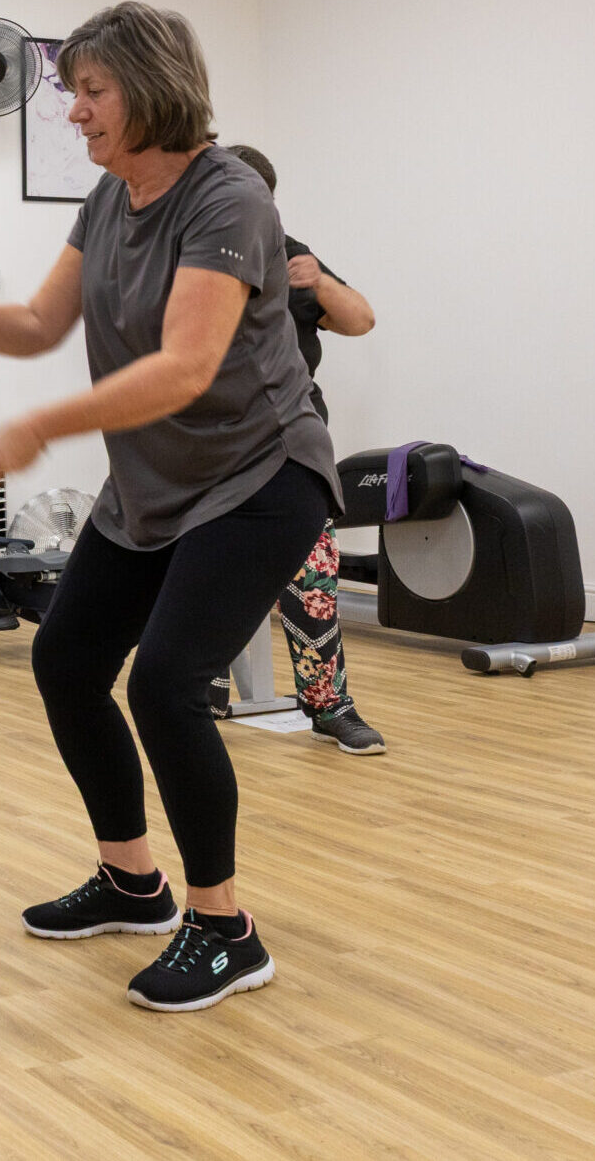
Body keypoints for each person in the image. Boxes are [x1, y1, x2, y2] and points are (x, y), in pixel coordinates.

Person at [0, 1, 339, 1014]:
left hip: (260, 473)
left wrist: (40, 429)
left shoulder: (228, 201)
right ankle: (133, 879)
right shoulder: (109, 196)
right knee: (68, 659)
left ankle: (224, 928)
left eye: (93, 92)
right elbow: (41, 321)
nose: (76, 114)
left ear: (150, 86)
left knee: (169, 682)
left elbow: (184, 366)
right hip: (156, 482)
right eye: (72, 94)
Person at [220, 144, 385, 755]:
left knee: (312, 574)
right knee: (199, 566)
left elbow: (361, 319)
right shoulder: (187, 256)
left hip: (291, 441)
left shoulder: (294, 258)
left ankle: (328, 705)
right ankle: (202, 683)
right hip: (210, 442)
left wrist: (321, 280)